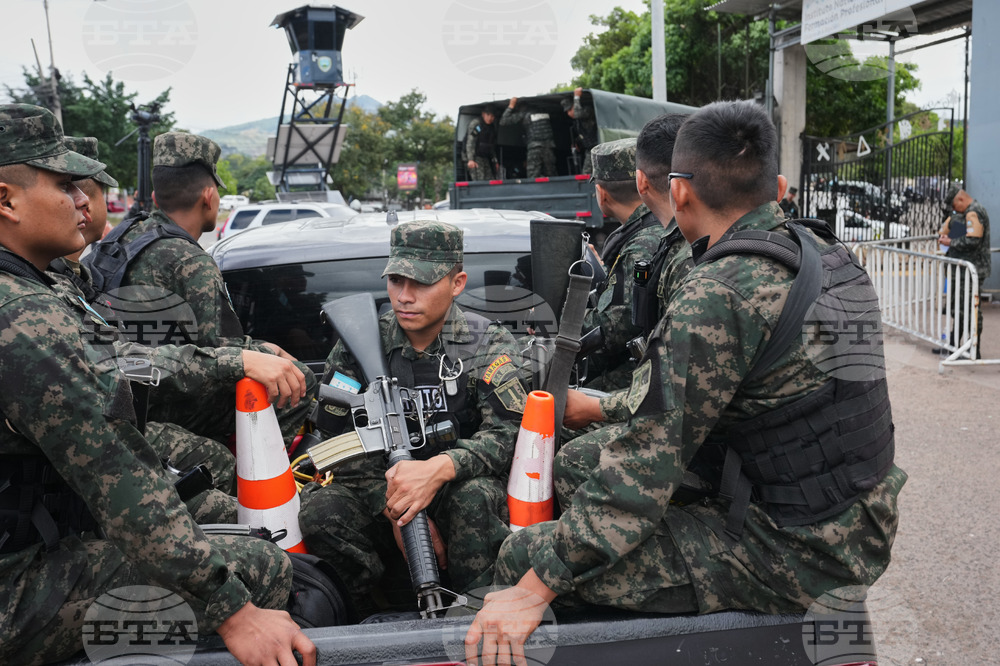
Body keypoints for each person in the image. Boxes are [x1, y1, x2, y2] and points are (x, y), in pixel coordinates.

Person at [465, 101, 906, 665]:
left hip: (798, 551)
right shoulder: (828, 253)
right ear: (775, 185)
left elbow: (638, 477)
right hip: (856, 513)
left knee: (525, 554)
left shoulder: (718, 294)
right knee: (582, 474)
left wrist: (530, 591)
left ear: (678, 193)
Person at [0, 103, 315, 666]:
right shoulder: (23, 315)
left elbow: (117, 357)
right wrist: (234, 612)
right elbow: (117, 474)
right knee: (258, 568)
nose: (84, 200)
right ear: (6, 199)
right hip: (13, 590)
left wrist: (232, 359)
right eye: (66, 185)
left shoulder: (36, 287)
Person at [47, 136, 308, 498]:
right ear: (209, 197)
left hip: (132, 394)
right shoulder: (190, 260)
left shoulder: (122, 238)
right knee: (299, 381)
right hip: (156, 401)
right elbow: (219, 349)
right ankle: (268, 481)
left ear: (155, 199)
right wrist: (257, 353)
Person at [298, 220, 530, 616]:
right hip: (380, 491)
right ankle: (357, 618)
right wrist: (399, 506)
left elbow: (510, 434)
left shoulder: (486, 342)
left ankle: (478, 614)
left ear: (457, 283)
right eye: (396, 281)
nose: (404, 297)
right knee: (321, 511)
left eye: (420, 283)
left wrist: (442, 467)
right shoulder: (360, 340)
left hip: (454, 488)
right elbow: (336, 443)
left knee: (475, 499)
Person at [580, 137, 670, 391]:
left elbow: (612, 329)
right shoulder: (655, 228)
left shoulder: (640, 243)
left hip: (637, 382)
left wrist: (559, 321)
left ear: (601, 193)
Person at [936, 182, 991, 358]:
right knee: (960, 309)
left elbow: (973, 241)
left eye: (954, 205)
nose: (955, 209)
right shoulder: (968, 212)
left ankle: (974, 349)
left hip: (974, 269)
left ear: (960, 198)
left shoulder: (974, 211)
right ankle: (955, 345)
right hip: (966, 270)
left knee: (971, 310)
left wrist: (950, 242)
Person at [500, 97, 556, 178]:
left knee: (533, 176)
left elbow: (503, 121)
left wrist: (511, 106)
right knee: (551, 174)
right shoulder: (543, 111)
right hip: (549, 147)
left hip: (535, 147)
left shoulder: (523, 113)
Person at [562, 88, 598, 175]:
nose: (569, 113)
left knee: (588, 174)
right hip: (589, 149)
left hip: (597, 148)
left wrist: (577, 97)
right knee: (586, 174)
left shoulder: (587, 111)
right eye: (567, 111)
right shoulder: (577, 122)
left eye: (570, 109)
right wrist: (577, 143)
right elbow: (584, 134)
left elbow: (578, 113)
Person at [464, 106, 498, 181]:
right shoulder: (477, 124)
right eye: (488, 115)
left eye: (492, 116)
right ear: (483, 114)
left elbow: (492, 146)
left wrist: (495, 161)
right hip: (474, 156)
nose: (490, 118)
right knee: (480, 180)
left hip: (484, 157)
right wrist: (470, 159)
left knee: (491, 180)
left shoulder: (491, 127)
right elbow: (470, 142)